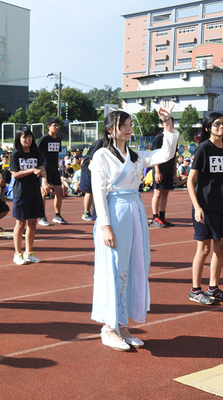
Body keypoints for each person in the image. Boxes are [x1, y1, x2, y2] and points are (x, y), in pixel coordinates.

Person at [90, 103, 177, 351]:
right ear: (110, 130)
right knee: (114, 267)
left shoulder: (137, 155)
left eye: (129, 125)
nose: (129, 129)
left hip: (135, 211)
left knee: (135, 265)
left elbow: (166, 153)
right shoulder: (101, 156)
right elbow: (99, 193)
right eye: (123, 126)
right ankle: (109, 327)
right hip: (115, 213)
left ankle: (123, 325)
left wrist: (168, 124)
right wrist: (105, 226)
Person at [187, 112, 223, 306]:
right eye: (217, 124)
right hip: (204, 207)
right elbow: (190, 181)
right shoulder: (204, 148)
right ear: (209, 128)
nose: (221, 127)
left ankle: (213, 287)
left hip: (221, 206)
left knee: (220, 248)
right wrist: (197, 207)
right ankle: (195, 289)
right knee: (204, 248)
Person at [10, 126, 46, 265]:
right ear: (19, 139)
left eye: (29, 136)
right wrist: (31, 170)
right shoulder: (16, 154)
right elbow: (15, 174)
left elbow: (42, 169)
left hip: (35, 192)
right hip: (21, 193)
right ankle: (17, 253)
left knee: (32, 223)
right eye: (24, 137)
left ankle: (29, 252)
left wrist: (45, 182)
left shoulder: (36, 153)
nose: (28, 139)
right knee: (20, 223)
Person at [37, 117, 67, 226]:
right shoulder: (44, 139)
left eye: (58, 125)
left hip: (55, 168)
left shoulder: (58, 139)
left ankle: (57, 215)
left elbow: (57, 154)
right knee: (44, 192)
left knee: (59, 191)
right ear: (49, 127)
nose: (57, 127)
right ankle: (42, 217)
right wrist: (40, 167)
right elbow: (36, 151)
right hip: (45, 168)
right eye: (55, 125)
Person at [150, 128, 178, 228]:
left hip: (169, 170)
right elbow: (154, 155)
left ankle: (162, 217)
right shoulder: (159, 138)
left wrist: (175, 172)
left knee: (165, 193)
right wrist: (157, 171)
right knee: (157, 193)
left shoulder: (174, 138)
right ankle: (155, 217)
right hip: (160, 169)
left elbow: (174, 156)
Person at [79, 139, 103, 221]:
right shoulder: (100, 143)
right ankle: (86, 212)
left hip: (100, 169)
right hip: (88, 168)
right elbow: (91, 159)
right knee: (90, 191)